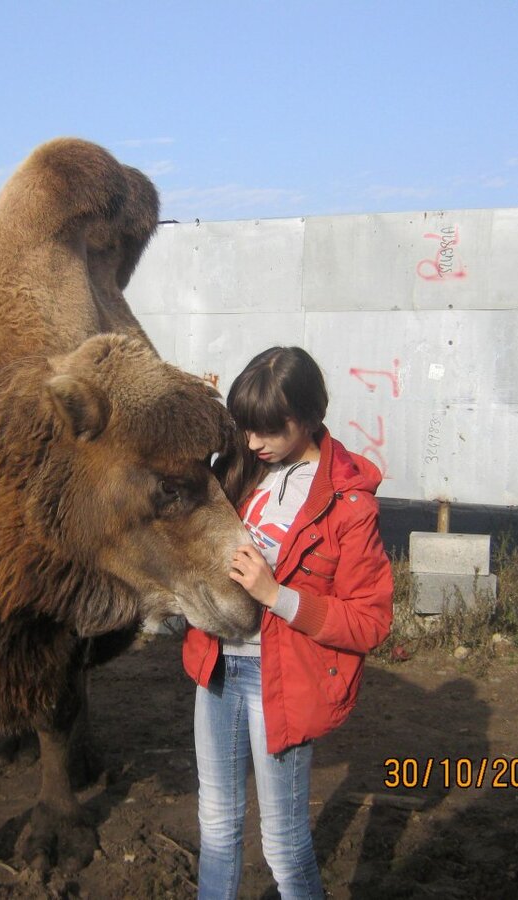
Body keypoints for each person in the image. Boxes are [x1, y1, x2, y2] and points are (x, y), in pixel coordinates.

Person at [183, 346, 394, 899]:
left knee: (281, 842)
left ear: (307, 418)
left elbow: (370, 621)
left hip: (281, 679)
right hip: (218, 667)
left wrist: (276, 595)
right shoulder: (241, 469)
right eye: (246, 427)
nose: (253, 442)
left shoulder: (347, 504)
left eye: (268, 430)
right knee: (217, 827)